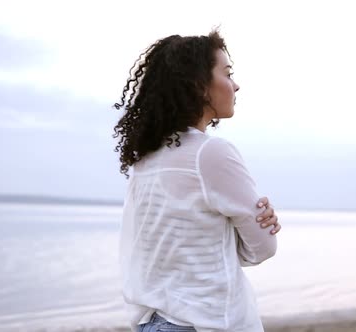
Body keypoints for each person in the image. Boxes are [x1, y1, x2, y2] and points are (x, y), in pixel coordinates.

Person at [113, 29, 281, 332]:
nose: (236, 85)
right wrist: (249, 227)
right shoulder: (211, 153)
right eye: (227, 73)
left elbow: (165, 253)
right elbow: (263, 248)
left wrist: (227, 235)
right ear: (199, 85)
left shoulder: (147, 160)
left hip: (151, 323)